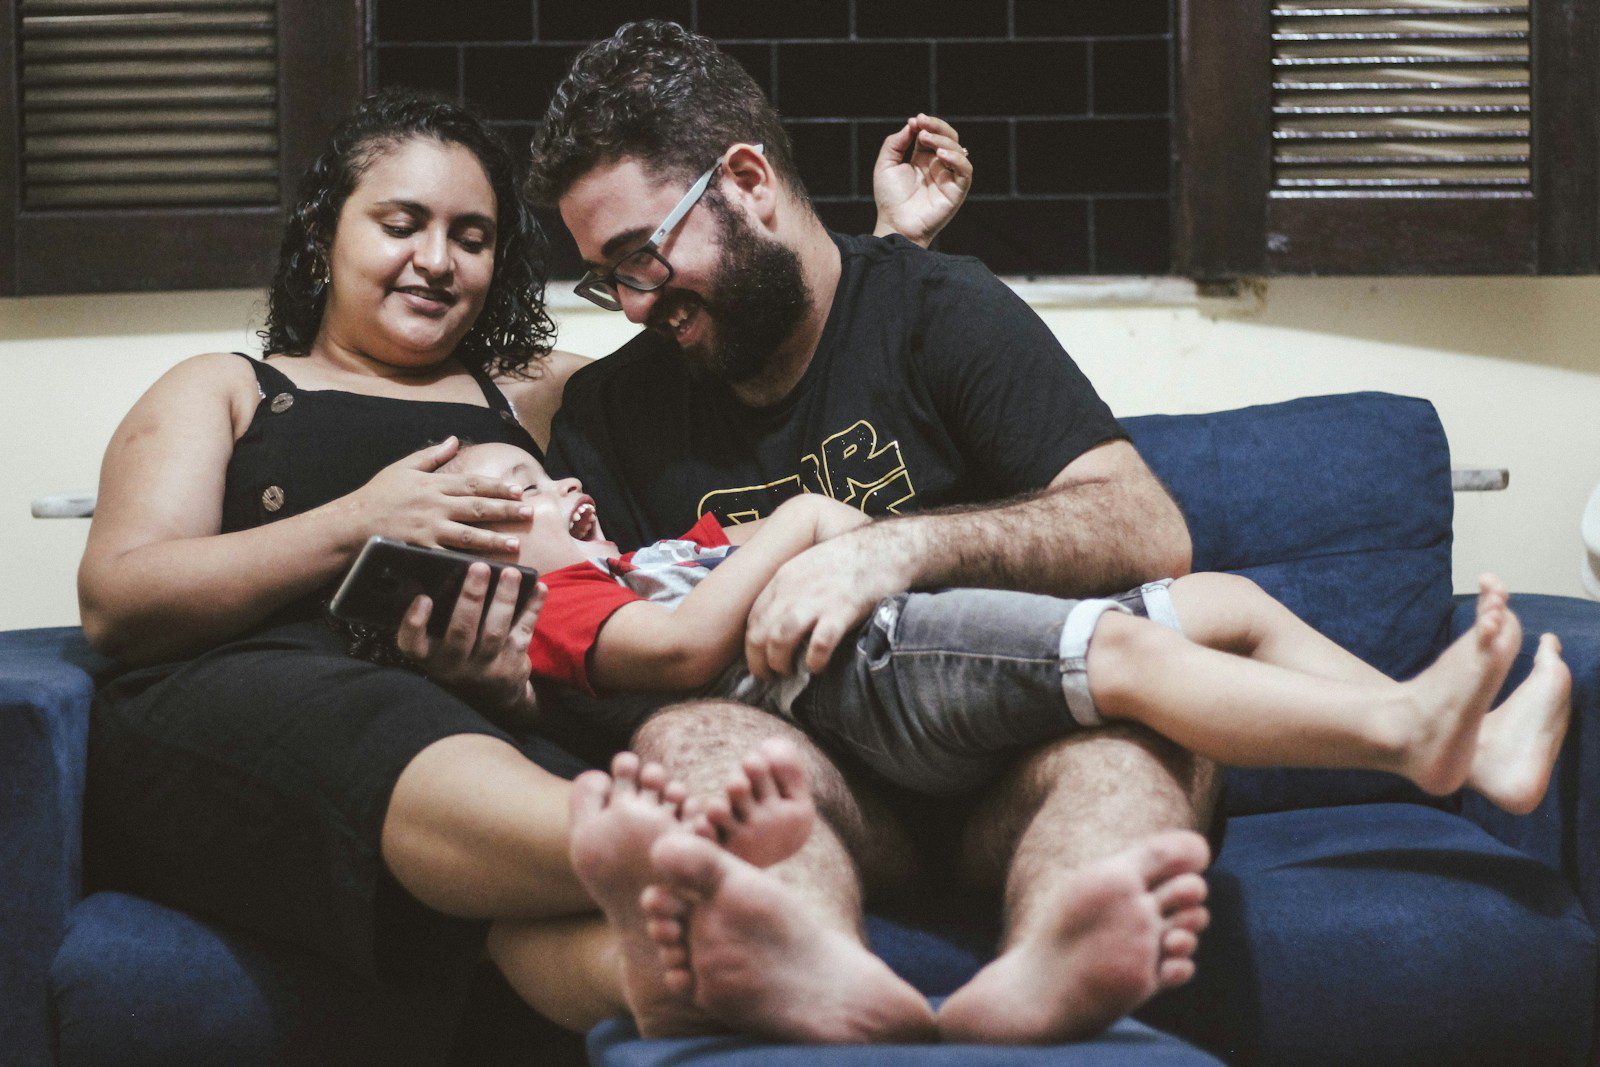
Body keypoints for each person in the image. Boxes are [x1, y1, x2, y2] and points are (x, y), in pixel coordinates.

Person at [76, 87, 972, 1057]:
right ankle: (686, 851)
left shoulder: (541, 394)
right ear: (325, 234)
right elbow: (118, 598)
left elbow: (752, 353)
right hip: (249, 701)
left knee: (500, 902)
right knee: (391, 723)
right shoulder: (229, 387)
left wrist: (891, 250)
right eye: (401, 224)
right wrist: (359, 520)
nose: (436, 259)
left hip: (487, 728)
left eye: (471, 237)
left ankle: (704, 974)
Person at [517, 19, 1216, 1045]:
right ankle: (810, 991)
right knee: (686, 740)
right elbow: (615, 648)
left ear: (746, 180)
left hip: (1018, 757)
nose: (630, 305)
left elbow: (1144, 522)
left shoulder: (937, 309)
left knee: (1140, 741)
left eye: (642, 258)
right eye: (606, 275)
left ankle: (1052, 989)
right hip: (816, 781)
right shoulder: (614, 412)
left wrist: (894, 546)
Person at [448, 439, 1571, 812]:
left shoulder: (650, 556)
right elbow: (686, 649)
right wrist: (801, 519)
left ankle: (1474, 752)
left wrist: (817, 533)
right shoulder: (554, 608)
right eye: (519, 494)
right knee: (1123, 655)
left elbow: (842, 538)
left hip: (907, 629)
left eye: (549, 469)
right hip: (868, 678)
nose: (562, 482)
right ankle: (1407, 737)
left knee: (1226, 603)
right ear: (480, 556)